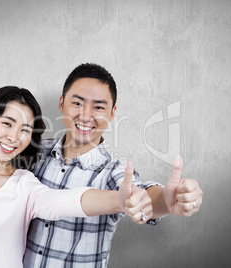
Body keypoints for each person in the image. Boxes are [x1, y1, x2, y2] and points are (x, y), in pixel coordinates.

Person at [0, 86, 153, 268]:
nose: (14, 137)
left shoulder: (23, 184)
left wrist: (119, 201)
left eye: (25, 130)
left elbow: (68, 201)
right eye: (7, 123)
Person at [23, 63, 203, 267]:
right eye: (77, 103)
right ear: (62, 103)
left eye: (98, 107)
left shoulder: (113, 171)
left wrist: (165, 200)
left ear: (112, 113)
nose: (85, 116)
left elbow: (138, 193)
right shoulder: (33, 153)